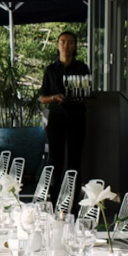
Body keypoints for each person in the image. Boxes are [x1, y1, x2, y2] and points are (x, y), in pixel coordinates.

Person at [37, 31, 90, 203]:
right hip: (56, 119)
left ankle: (73, 202)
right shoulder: (51, 70)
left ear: (75, 46)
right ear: (58, 45)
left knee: (75, 160)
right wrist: (54, 98)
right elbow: (42, 97)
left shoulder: (82, 68)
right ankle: (54, 201)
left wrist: (80, 99)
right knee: (55, 160)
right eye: (62, 42)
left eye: (69, 42)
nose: (65, 45)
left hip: (76, 117)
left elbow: (87, 93)